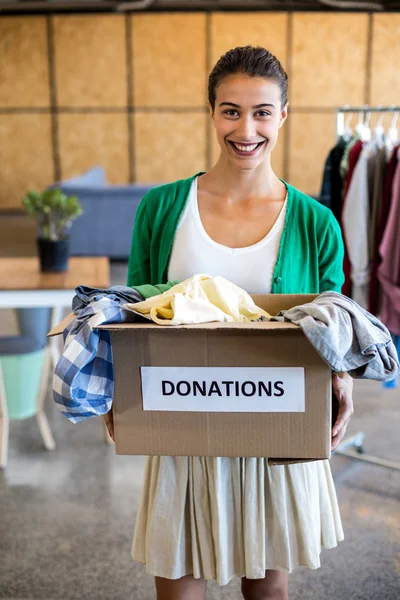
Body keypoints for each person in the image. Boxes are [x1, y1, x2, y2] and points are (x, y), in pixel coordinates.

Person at [104, 46, 354, 600]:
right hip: (181, 420)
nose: (246, 128)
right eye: (231, 110)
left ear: (284, 115)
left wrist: (341, 385)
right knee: (178, 590)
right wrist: (118, 395)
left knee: (267, 589)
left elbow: (334, 324)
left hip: (276, 422)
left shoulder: (315, 222)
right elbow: (133, 316)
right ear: (212, 112)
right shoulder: (163, 208)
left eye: (262, 111)